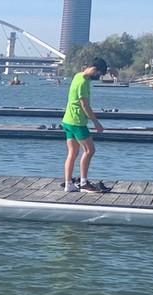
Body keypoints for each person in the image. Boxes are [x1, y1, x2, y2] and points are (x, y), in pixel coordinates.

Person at [61, 58, 108, 193]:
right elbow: (85, 106)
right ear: (94, 70)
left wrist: (109, 69)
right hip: (77, 122)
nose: (98, 77)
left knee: (73, 152)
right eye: (98, 74)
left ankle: (69, 184)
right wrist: (96, 122)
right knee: (89, 151)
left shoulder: (77, 76)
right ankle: (83, 183)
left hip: (67, 120)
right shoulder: (83, 83)